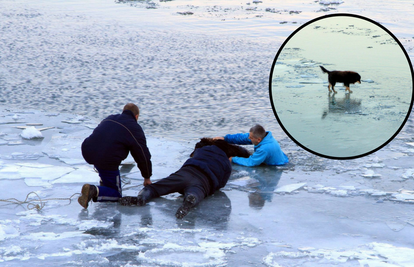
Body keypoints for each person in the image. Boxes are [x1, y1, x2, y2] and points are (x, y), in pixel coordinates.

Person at [119, 142, 233, 219]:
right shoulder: (227, 164)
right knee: (196, 193)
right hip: (203, 181)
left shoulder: (203, 149)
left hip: (186, 173)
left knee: (155, 188)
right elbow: (221, 184)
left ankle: (141, 198)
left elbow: (192, 158)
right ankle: (190, 199)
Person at [78, 103, 152, 209]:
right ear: (136, 117)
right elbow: (142, 154)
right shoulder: (134, 128)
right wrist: (147, 177)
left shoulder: (110, 118)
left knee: (105, 161)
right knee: (116, 195)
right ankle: (93, 190)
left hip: (88, 151)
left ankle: (104, 182)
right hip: (106, 159)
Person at [214, 124, 288, 167]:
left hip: (276, 165)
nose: (249, 138)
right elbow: (243, 138)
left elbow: (251, 162)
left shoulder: (264, 148)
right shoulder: (264, 136)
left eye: (251, 138)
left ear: (258, 139)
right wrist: (225, 138)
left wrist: (233, 159)